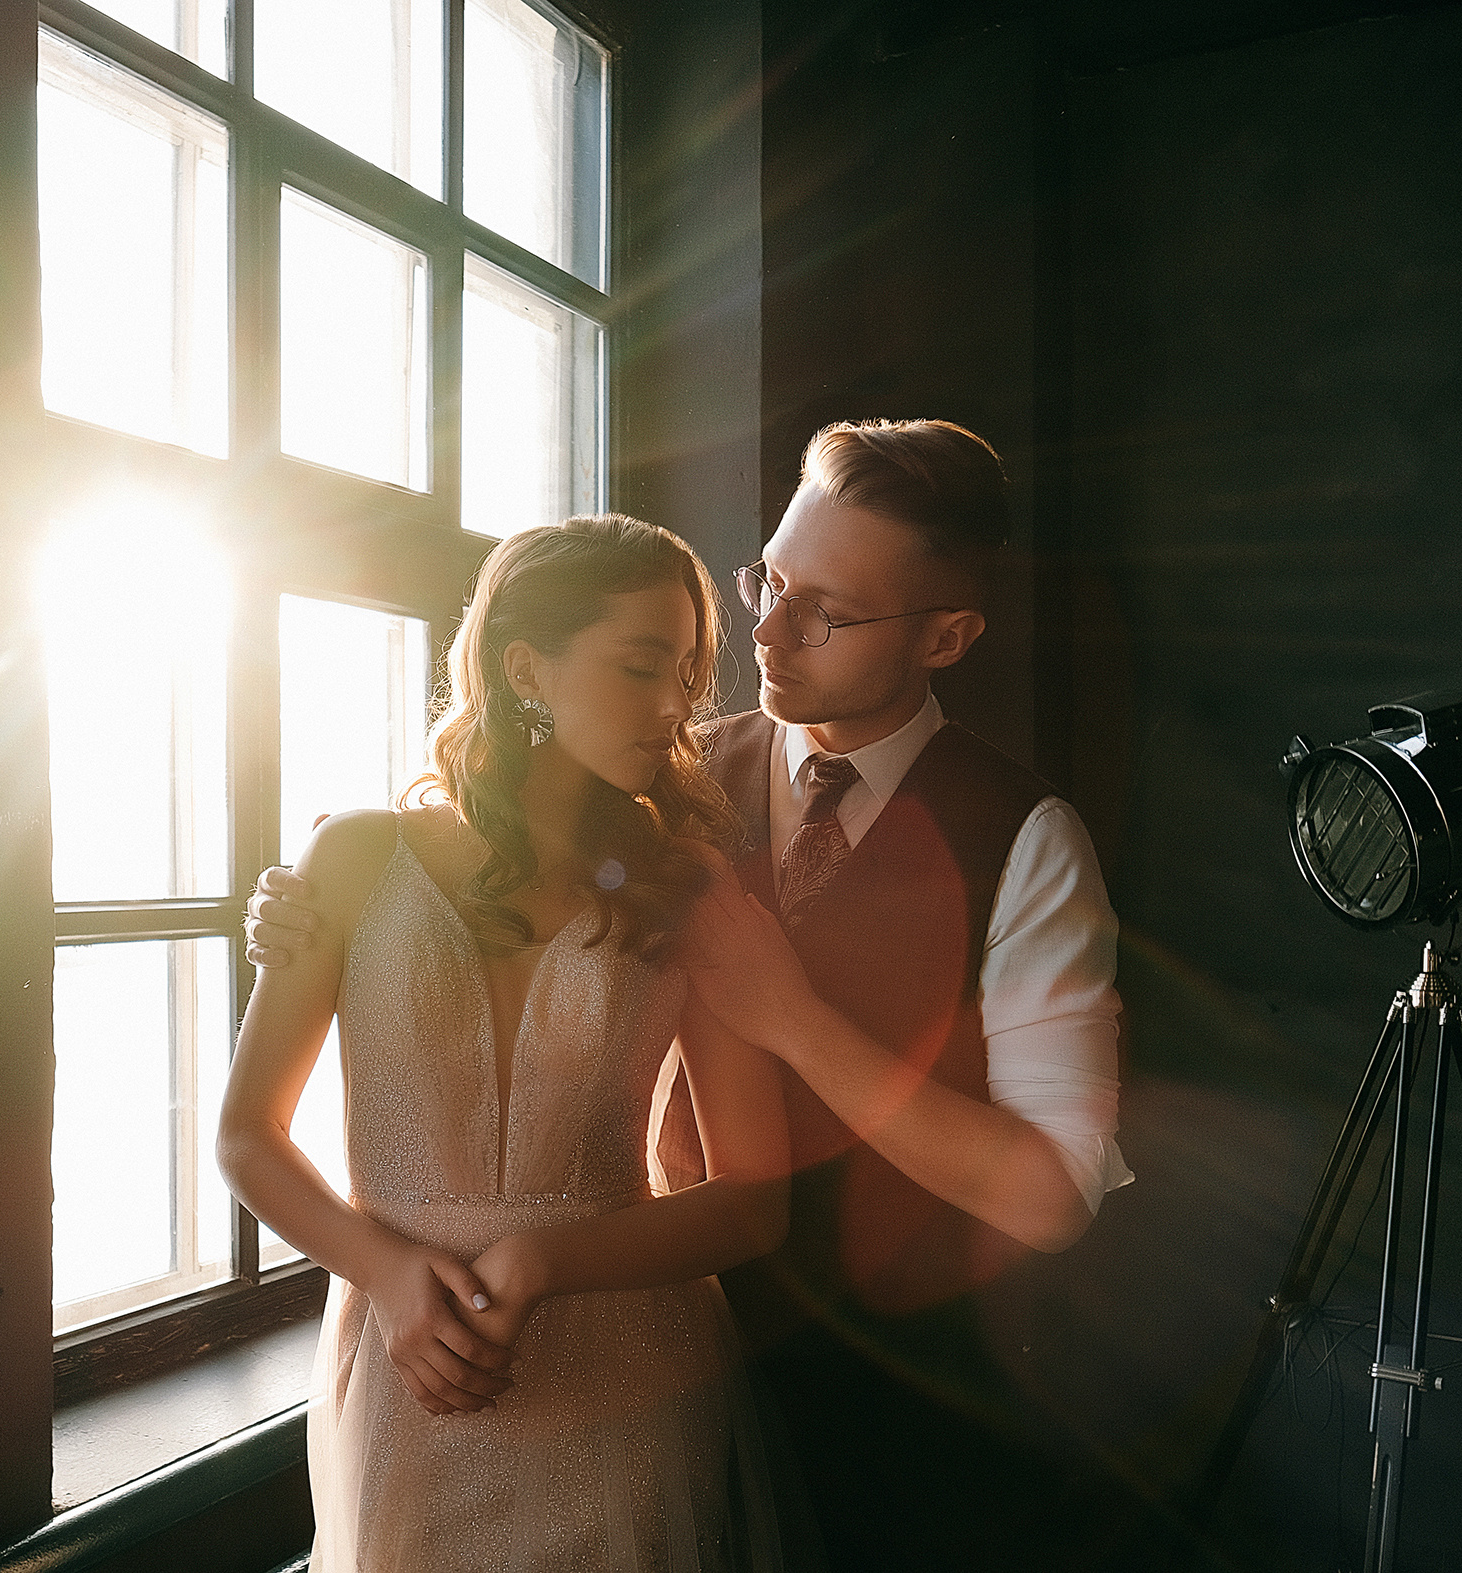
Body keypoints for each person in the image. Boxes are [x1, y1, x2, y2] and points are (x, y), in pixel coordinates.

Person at [249, 420, 1131, 1569]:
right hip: (630, 1358)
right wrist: (311, 895)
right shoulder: (651, 783)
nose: (764, 631)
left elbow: (1050, 1196)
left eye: (827, 611)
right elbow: (475, 877)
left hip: (897, 1413)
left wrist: (797, 1023)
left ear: (946, 634)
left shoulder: (1027, 841)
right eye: (767, 577)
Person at [217, 514, 793, 1572]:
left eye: (685, 671)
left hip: (630, 1371)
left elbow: (755, 1196)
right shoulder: (350, 859)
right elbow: (247, 1137)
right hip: (408, 1367)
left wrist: (544, 1255)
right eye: (638, 666)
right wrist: (388, 1276)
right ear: (526, 666)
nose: (674, 705)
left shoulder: (690, 887)